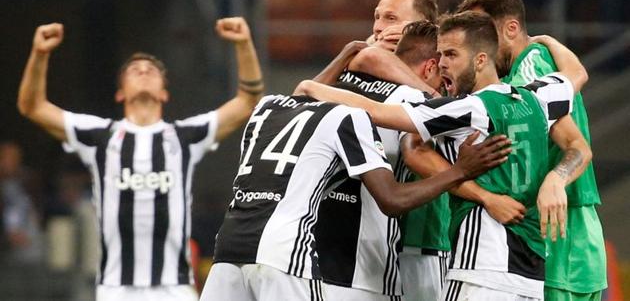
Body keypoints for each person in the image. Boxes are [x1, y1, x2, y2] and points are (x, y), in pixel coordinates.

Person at [296, 11, 592, 301]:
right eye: (440, 55)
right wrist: (547, 41)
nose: (442, 64)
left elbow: (377, 113)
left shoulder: (469, 109)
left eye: (451, 55)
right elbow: (576, 74)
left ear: (480, 60)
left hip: (481, 267)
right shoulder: (537, 98)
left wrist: (312, 87)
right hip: (529, 274)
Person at [17, 18, 264, 301]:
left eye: (151, 70)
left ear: (164, 93)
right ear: (120, 92)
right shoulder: (100, 137)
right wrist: (39, 53)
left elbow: (248, 100)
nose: (144, 71)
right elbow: (32, 106)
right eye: (135, 70)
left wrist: (244, 44)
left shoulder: (184, 137)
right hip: (116, 289)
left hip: (174, 288)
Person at [199, 89, 511, 301]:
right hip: (283, 252)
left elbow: (305, 87)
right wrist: (459, 171)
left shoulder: (267, 106)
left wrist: (348, 55)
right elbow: (392, 200)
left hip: (227, 247)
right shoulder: (350, 116)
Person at [456, 0, 607, 300]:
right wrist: (549, 40)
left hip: (557, 230)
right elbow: (578, 72)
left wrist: (556, 179)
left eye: (483, 31)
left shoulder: (528, 70)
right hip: (573, 232)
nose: (476, 44)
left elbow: (577, 146)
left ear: (511, 27)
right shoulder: (536, 63)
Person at [313, 21, 444, 301]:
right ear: (430, 67)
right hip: (364, 263)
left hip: (308, 251)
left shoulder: (335, 83)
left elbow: (297, 99)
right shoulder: (415, 99)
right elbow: (418, 152)